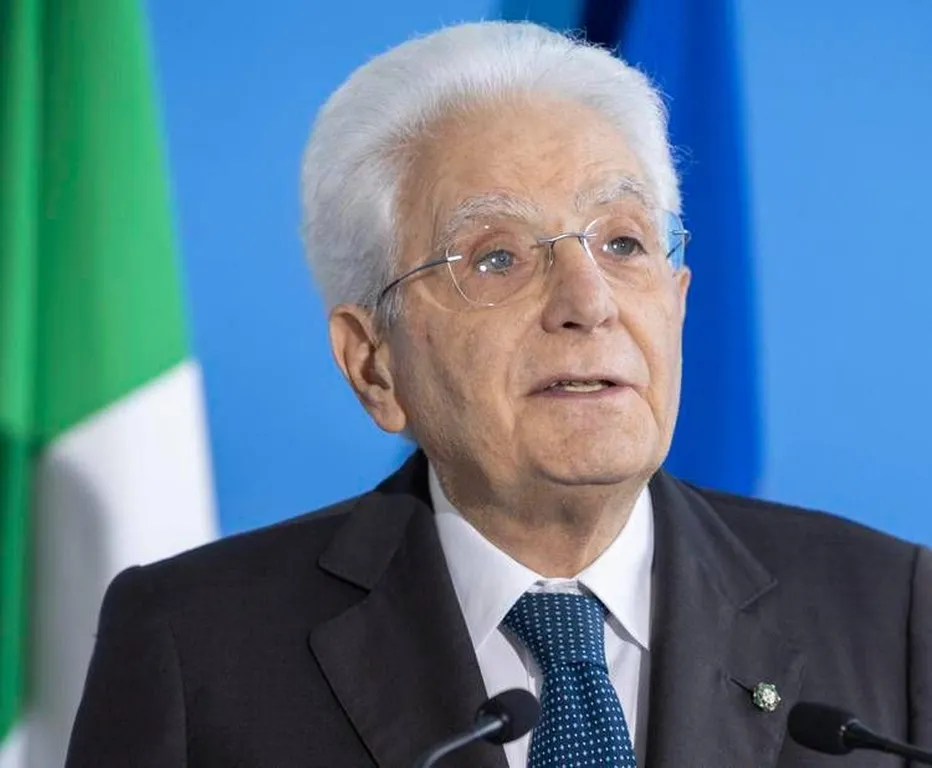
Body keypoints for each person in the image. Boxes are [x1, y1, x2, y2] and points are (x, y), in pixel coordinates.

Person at [66, 20, 930, 768]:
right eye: (497, 257)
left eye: (623, 244)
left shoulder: (891, 613)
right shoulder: (197, 647)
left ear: (678, 301)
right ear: (373, 364)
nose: (589, 303)